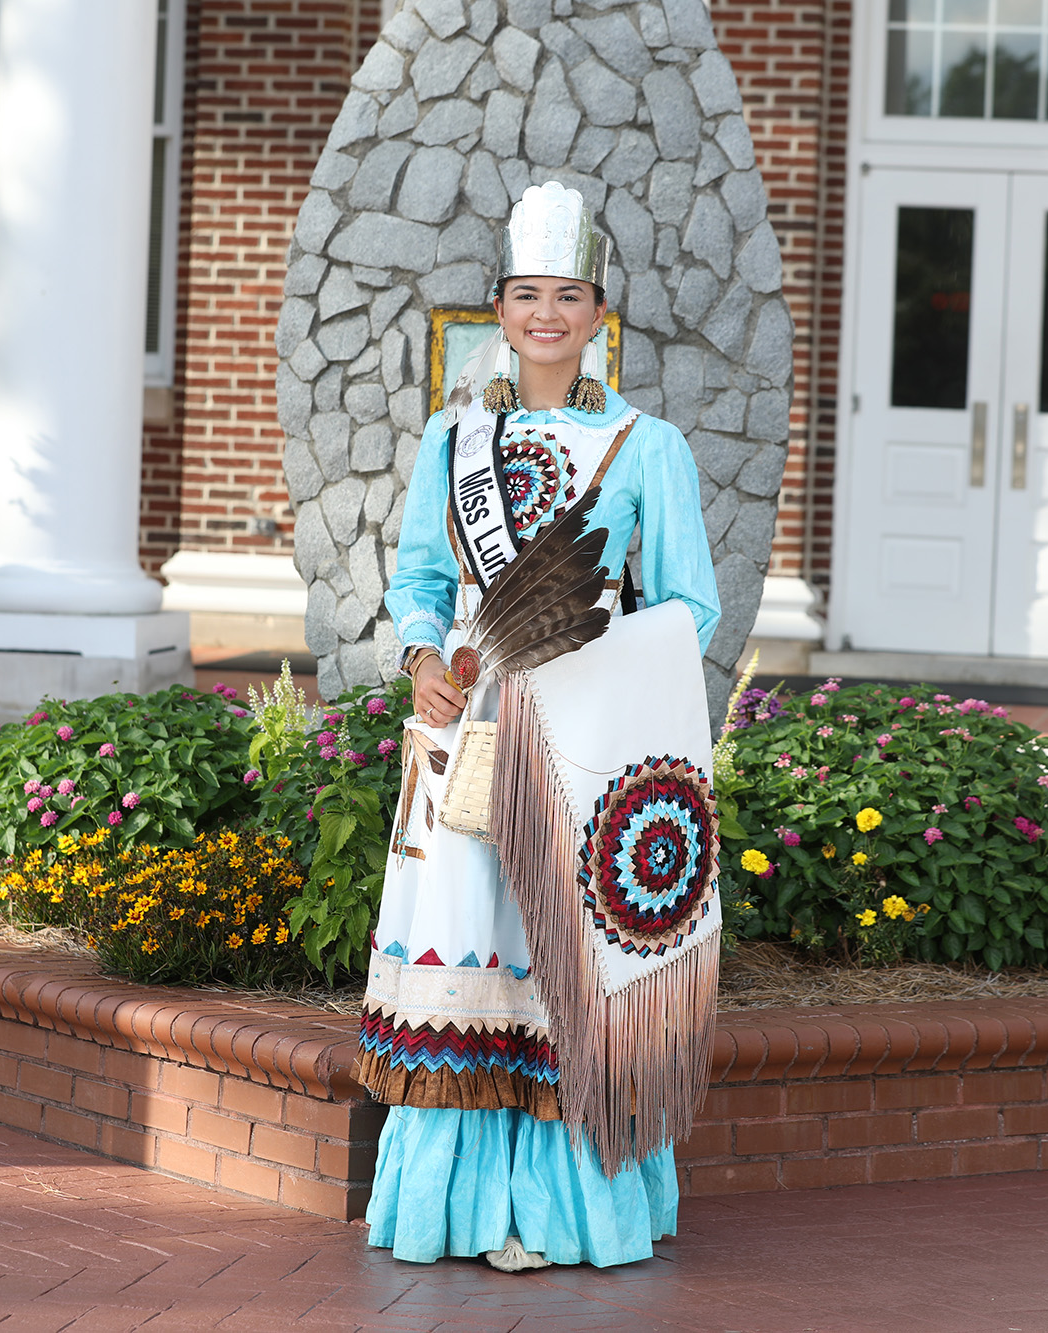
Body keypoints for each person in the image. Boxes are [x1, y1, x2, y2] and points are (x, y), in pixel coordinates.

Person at [361, 181, 723, 1271]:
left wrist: (590, 658)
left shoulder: (643, 444)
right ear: (499, 309)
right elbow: (421, 574)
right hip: (471, 729)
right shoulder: (453, 438)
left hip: (586, 742)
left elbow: (687, 606)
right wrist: (422, 654)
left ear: (598, 312)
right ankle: (458, 1209)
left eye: (568, 295)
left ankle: (567, 1210)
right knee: (470, 953)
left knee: (569, 964)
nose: (547, 315)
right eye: (527, 295)